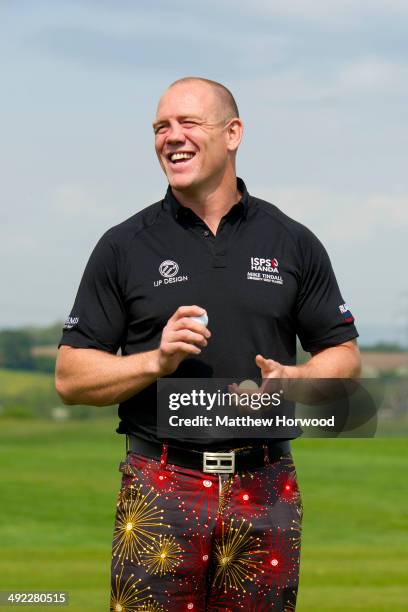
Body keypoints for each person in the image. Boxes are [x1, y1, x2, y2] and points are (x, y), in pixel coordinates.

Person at [55, 77, 361, 611]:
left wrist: (298, 380)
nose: (171, 137)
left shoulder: (292, 241)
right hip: (161, 485)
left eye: (188, 123)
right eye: (160, 127)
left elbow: (345, 358)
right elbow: (70, 376)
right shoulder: (123, 245)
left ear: (233, 133)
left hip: (265, 487)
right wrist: (156, 359)